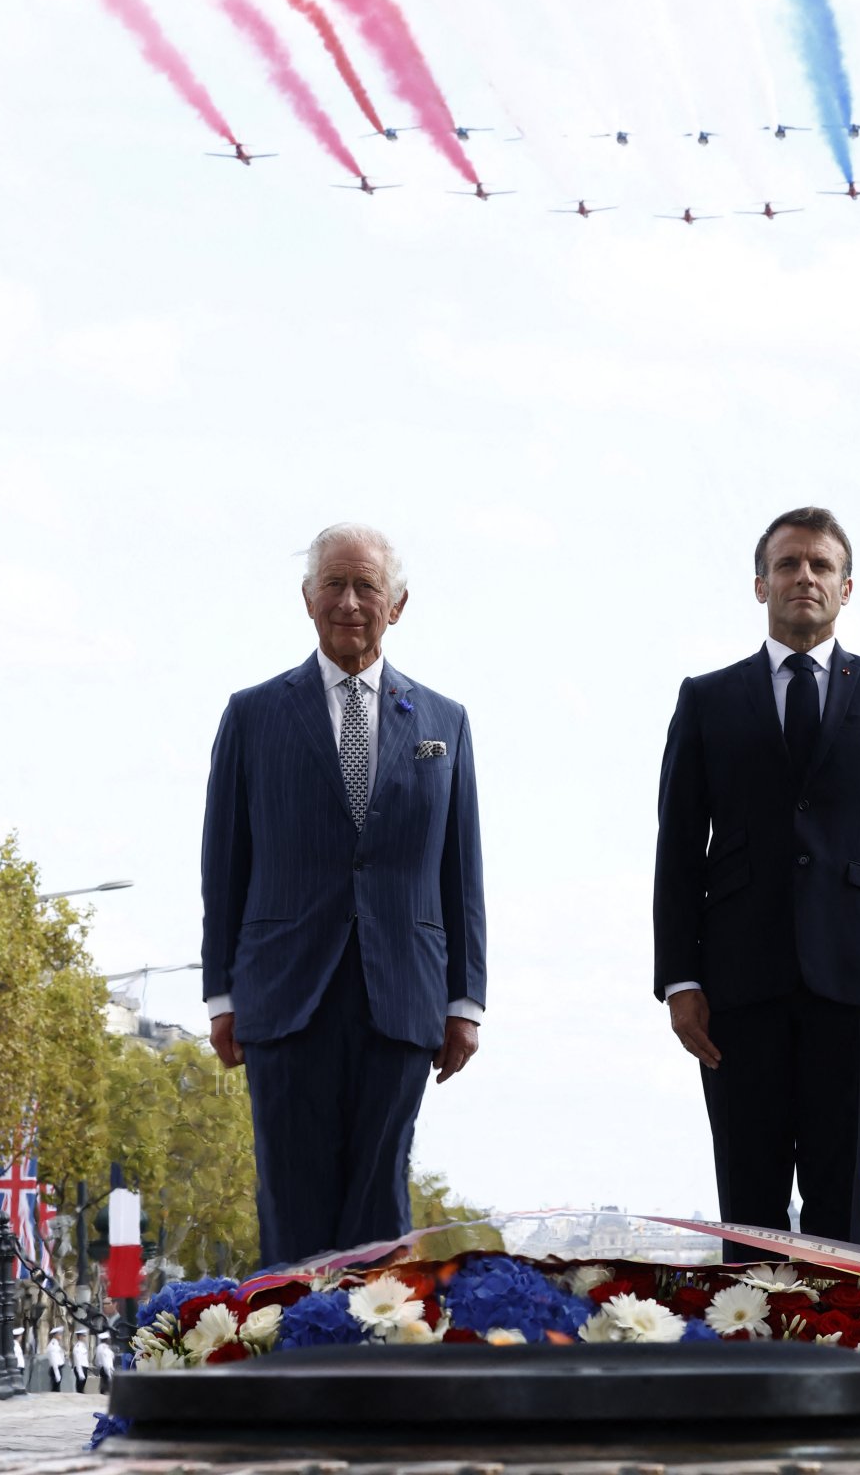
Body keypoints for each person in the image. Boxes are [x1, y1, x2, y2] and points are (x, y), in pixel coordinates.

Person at [202, 522, 487, 1266]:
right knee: (291, 1199)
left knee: (380, 1203)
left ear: (398, 604)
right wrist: (220, 996)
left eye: (367, 586)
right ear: (307, 599)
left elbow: (461, 871)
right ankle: (293, 1372)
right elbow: (223, 863)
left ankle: (372, 1369)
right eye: (334, 583)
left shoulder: (443, 723)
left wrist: (466, 1001)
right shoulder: (253, 715)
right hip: (284, 993)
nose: (350, 601)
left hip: (401, 994)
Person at [654, 506, 860, 1245]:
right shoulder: (706, 698)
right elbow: (679, 848)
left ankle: (838, 1360)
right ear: (760, 585)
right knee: (747, 1210)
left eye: (820, 566)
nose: (803, 577)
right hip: (735, 993)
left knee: (841, 1211)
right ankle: (752, 1358)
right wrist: (679, 980)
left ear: (847, 589)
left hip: (854, 991)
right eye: (787, 564)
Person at [44, 1326, 65, 1392]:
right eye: (60, 1334)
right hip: (55, 1369)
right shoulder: (53, 1345)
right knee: (55, 1389)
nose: (61, 1335)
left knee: (56, 1388)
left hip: (58, 1368)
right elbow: (54, 1361)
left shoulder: (56, 1344)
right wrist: (57, 1374)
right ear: (56, 1335)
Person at [71, 1326, 89, 1394]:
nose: (85, 1337)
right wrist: (80, 1372)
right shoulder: (78, 1347)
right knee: (80, 1387)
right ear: (80, 1337)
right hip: (80, 1368)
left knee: (82, 1387)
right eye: (84, 1336)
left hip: (83, 1367)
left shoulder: (83, 1346)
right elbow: (78, 1360)